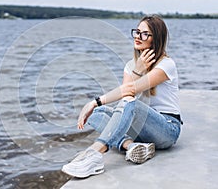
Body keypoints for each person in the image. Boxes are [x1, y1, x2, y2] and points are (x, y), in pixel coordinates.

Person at [61, 15, 182, 178]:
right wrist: (95, 106)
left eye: (145, 34)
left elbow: (129, 91)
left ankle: (94, 154)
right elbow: (125, 95)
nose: (138, 37)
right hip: (140, 128)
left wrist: (95, 101)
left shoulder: (166, 65)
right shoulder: (130, 66)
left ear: (156, 39)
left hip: (166, 128)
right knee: (96, 114)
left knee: (124, 100)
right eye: (137, 32)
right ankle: (131, 146)